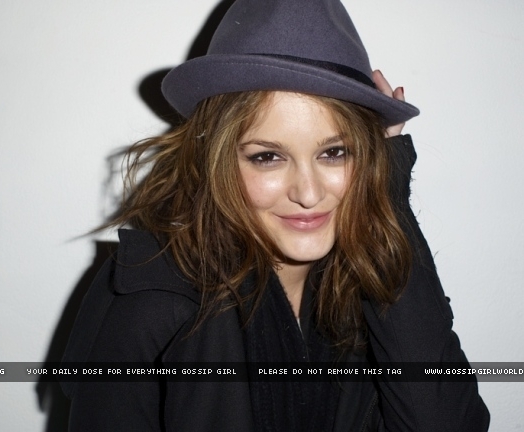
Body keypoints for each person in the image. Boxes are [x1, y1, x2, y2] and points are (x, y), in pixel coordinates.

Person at [61, 0, 490, 430]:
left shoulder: (362, 287)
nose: (308, 193)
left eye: (334, 152)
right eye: (268, 157)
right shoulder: (154, 301)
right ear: (218, 161)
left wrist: (385, 197)